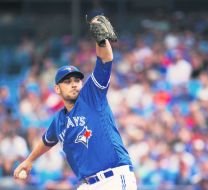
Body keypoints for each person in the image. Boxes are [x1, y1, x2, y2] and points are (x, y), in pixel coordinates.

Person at [14, 16, 137, 190]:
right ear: (57, 89)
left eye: (76, 80)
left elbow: (105, 59)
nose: (73, 83)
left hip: (114, 179)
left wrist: (101, 41)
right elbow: (47, 140)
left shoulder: (91, 96)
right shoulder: (59, 120)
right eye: (67, 81)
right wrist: (29, 160)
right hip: (87, 185)